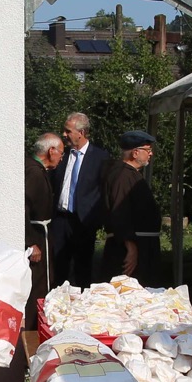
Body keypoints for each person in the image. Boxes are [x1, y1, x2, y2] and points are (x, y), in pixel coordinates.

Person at [51, 112, 108, 287]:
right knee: (58, 267)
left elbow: (104, 190)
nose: (64, 134)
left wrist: (96, 219)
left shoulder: (100, 157)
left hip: (84, 222)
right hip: (61, 220)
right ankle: (55, 304)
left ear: (81, 132)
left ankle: (81, 307)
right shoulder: (63, 155)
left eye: (68, 131)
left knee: (83, 269)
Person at [99, 129, 160, 283]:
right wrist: (131, 248)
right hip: (127, 247)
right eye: (148, 150)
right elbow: (120, 212)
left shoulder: (130, 174)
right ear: (135, 153)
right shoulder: (123, 176)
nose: (150, 154)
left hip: (142, 244)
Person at [27, 133, 61, 300]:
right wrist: (31, 241)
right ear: (51, 151)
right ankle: (33, 324)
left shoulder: (36, 169)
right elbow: (24, 206)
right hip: (36, 235)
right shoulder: (34, 172)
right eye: (61, 152)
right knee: (37, 285)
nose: (61, 157)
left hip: (42, 234)